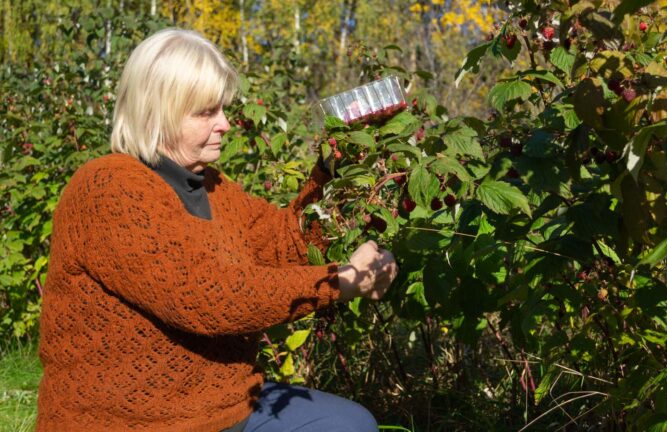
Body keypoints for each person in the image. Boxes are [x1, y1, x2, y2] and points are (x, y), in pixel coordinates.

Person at [36, 28, 398, 432]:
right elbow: (210, 297)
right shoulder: (108, 188)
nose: (225, 124)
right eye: (206, 112)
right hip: (128, 422)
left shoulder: (214, 186)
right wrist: (343, 281)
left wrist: (331, 172)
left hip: (228, 407)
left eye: (222, 109)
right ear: (158, 112)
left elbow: (283, 241)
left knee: (350, 425)